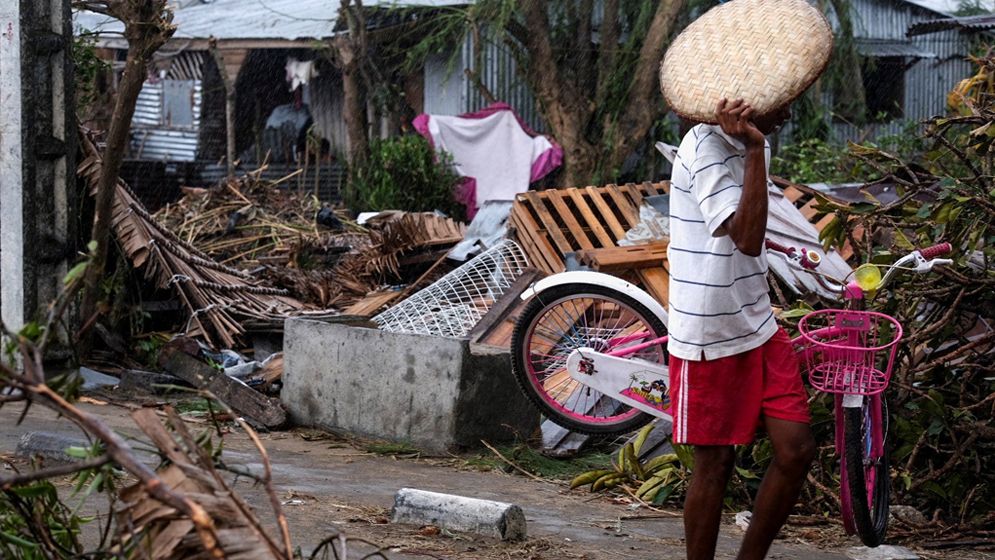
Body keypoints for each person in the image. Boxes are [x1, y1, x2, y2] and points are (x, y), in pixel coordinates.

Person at [666, 98, 816, 560]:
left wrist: (755, 149)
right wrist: (754, 152)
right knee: (715, 464)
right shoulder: (704, 147)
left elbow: (758, 231)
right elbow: (746, 236)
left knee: (795, 451)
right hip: (708, 333)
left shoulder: (756, 145)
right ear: (743, 110)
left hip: (756, 320)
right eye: (779, 106)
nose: (787, 115)